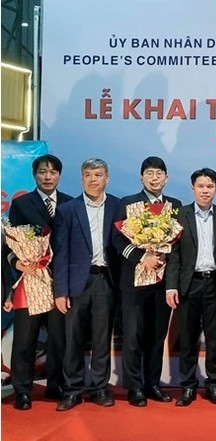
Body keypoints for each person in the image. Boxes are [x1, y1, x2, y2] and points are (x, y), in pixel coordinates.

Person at [165, 168, 216, 407]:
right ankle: (187, 386)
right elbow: (174, 255)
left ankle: (214, 384)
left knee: (214, 337)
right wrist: (171, 287)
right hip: (189, 285)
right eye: (201, 186)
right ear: (192, 188)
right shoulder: (181, 215)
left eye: (210, 186)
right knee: (187, 339)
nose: (205, 190)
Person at [4, 154, 73, 410]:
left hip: (58, 281)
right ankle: (23, 389)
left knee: (58, 338)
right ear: (35, 175)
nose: (47, 176)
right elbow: (9, 243)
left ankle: (56, 385)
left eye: (53, 172)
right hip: (31, 278)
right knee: (25, 338)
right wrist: (17, 263)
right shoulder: (22, 203)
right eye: (43, 172)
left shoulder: (69, 203)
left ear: (59, 175)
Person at [52, 158, 121, 411]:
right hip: (76, 283)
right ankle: (72, 389)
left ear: (107, 178)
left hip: (106, 280)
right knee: (74, 339)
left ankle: (100, 388)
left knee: (102, 339)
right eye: (89, 175)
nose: (93, 179)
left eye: (99, 174)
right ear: (82, 179)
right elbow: (61, 253)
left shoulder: (118, 206)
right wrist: (61, 291)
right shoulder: (68, 210)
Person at [113, 156, 182, 406]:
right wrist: (143, 257)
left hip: (162, 283)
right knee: (133, 336)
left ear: (167, 178)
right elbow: (118, 240)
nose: (155, 178)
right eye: (149, 173)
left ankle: (153, 383)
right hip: (133, 282)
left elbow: (177, 244)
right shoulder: (128, 203)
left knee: (156, 336)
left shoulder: (174, 206)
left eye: (159, 173)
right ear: (141, 177)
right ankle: (135, 387)